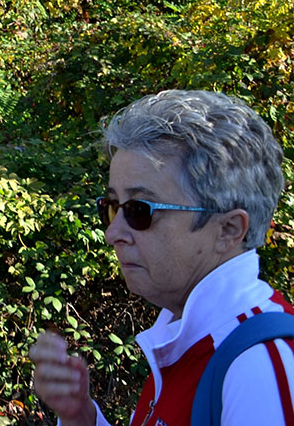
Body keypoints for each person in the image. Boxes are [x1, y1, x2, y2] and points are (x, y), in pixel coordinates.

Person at [29, 90, 294, 426]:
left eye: (140, 210)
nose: (113, 234)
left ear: (228, 229)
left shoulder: (258, 366)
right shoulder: (185, 334)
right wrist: (81, 417)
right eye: (111, 207)